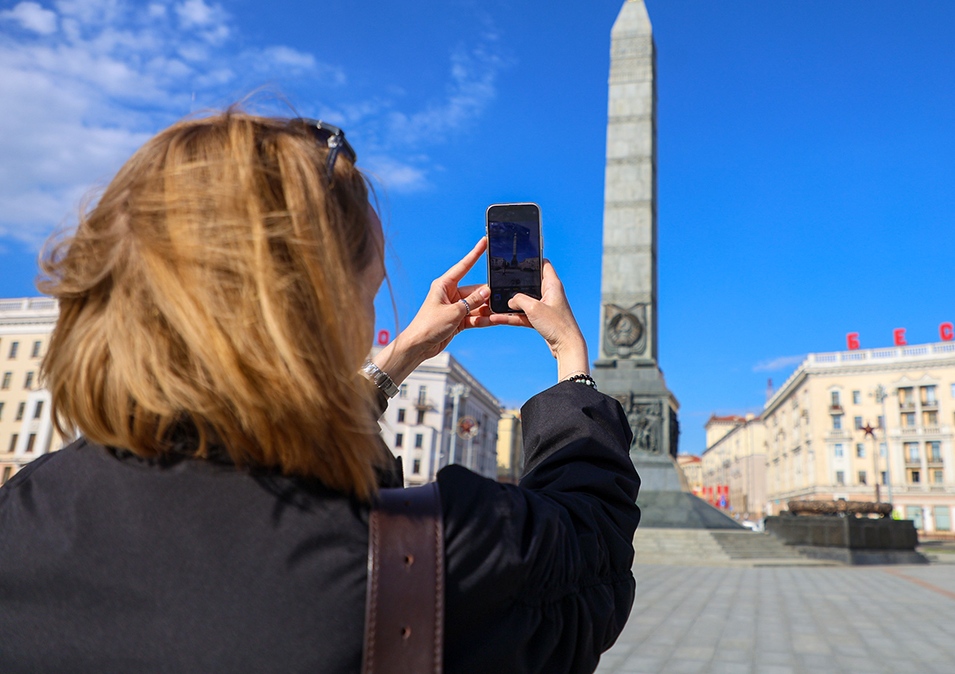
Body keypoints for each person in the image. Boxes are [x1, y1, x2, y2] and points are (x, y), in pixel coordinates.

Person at [0, 110, 640, 674]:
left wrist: (400, 356)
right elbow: (594, 550)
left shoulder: (28, 506)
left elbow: (259, 429)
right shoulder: (416, 558)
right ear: (314, 313)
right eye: (366, 294)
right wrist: (570, 363)